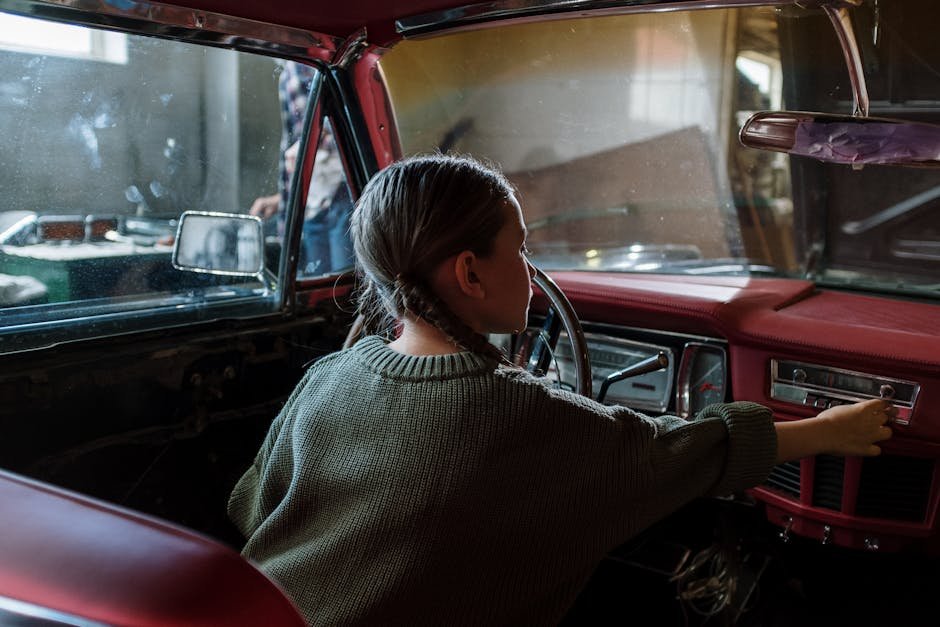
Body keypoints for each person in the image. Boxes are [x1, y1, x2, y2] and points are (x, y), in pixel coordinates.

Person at [227, 154, 895, 626]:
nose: (530, 267)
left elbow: (252, 506)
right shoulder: (518, 412)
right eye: (519, 249)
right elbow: (681, 451)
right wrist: (833, 429)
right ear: (470, 273)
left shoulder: (327, 377)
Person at [250, 61, 353, 274]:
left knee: (344, 290)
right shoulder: (291, 71)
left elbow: (333, 135)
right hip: (315, 207)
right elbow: (301, 150)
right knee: (326, 288)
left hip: (339, 202)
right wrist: (283, 200)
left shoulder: (303, 66)